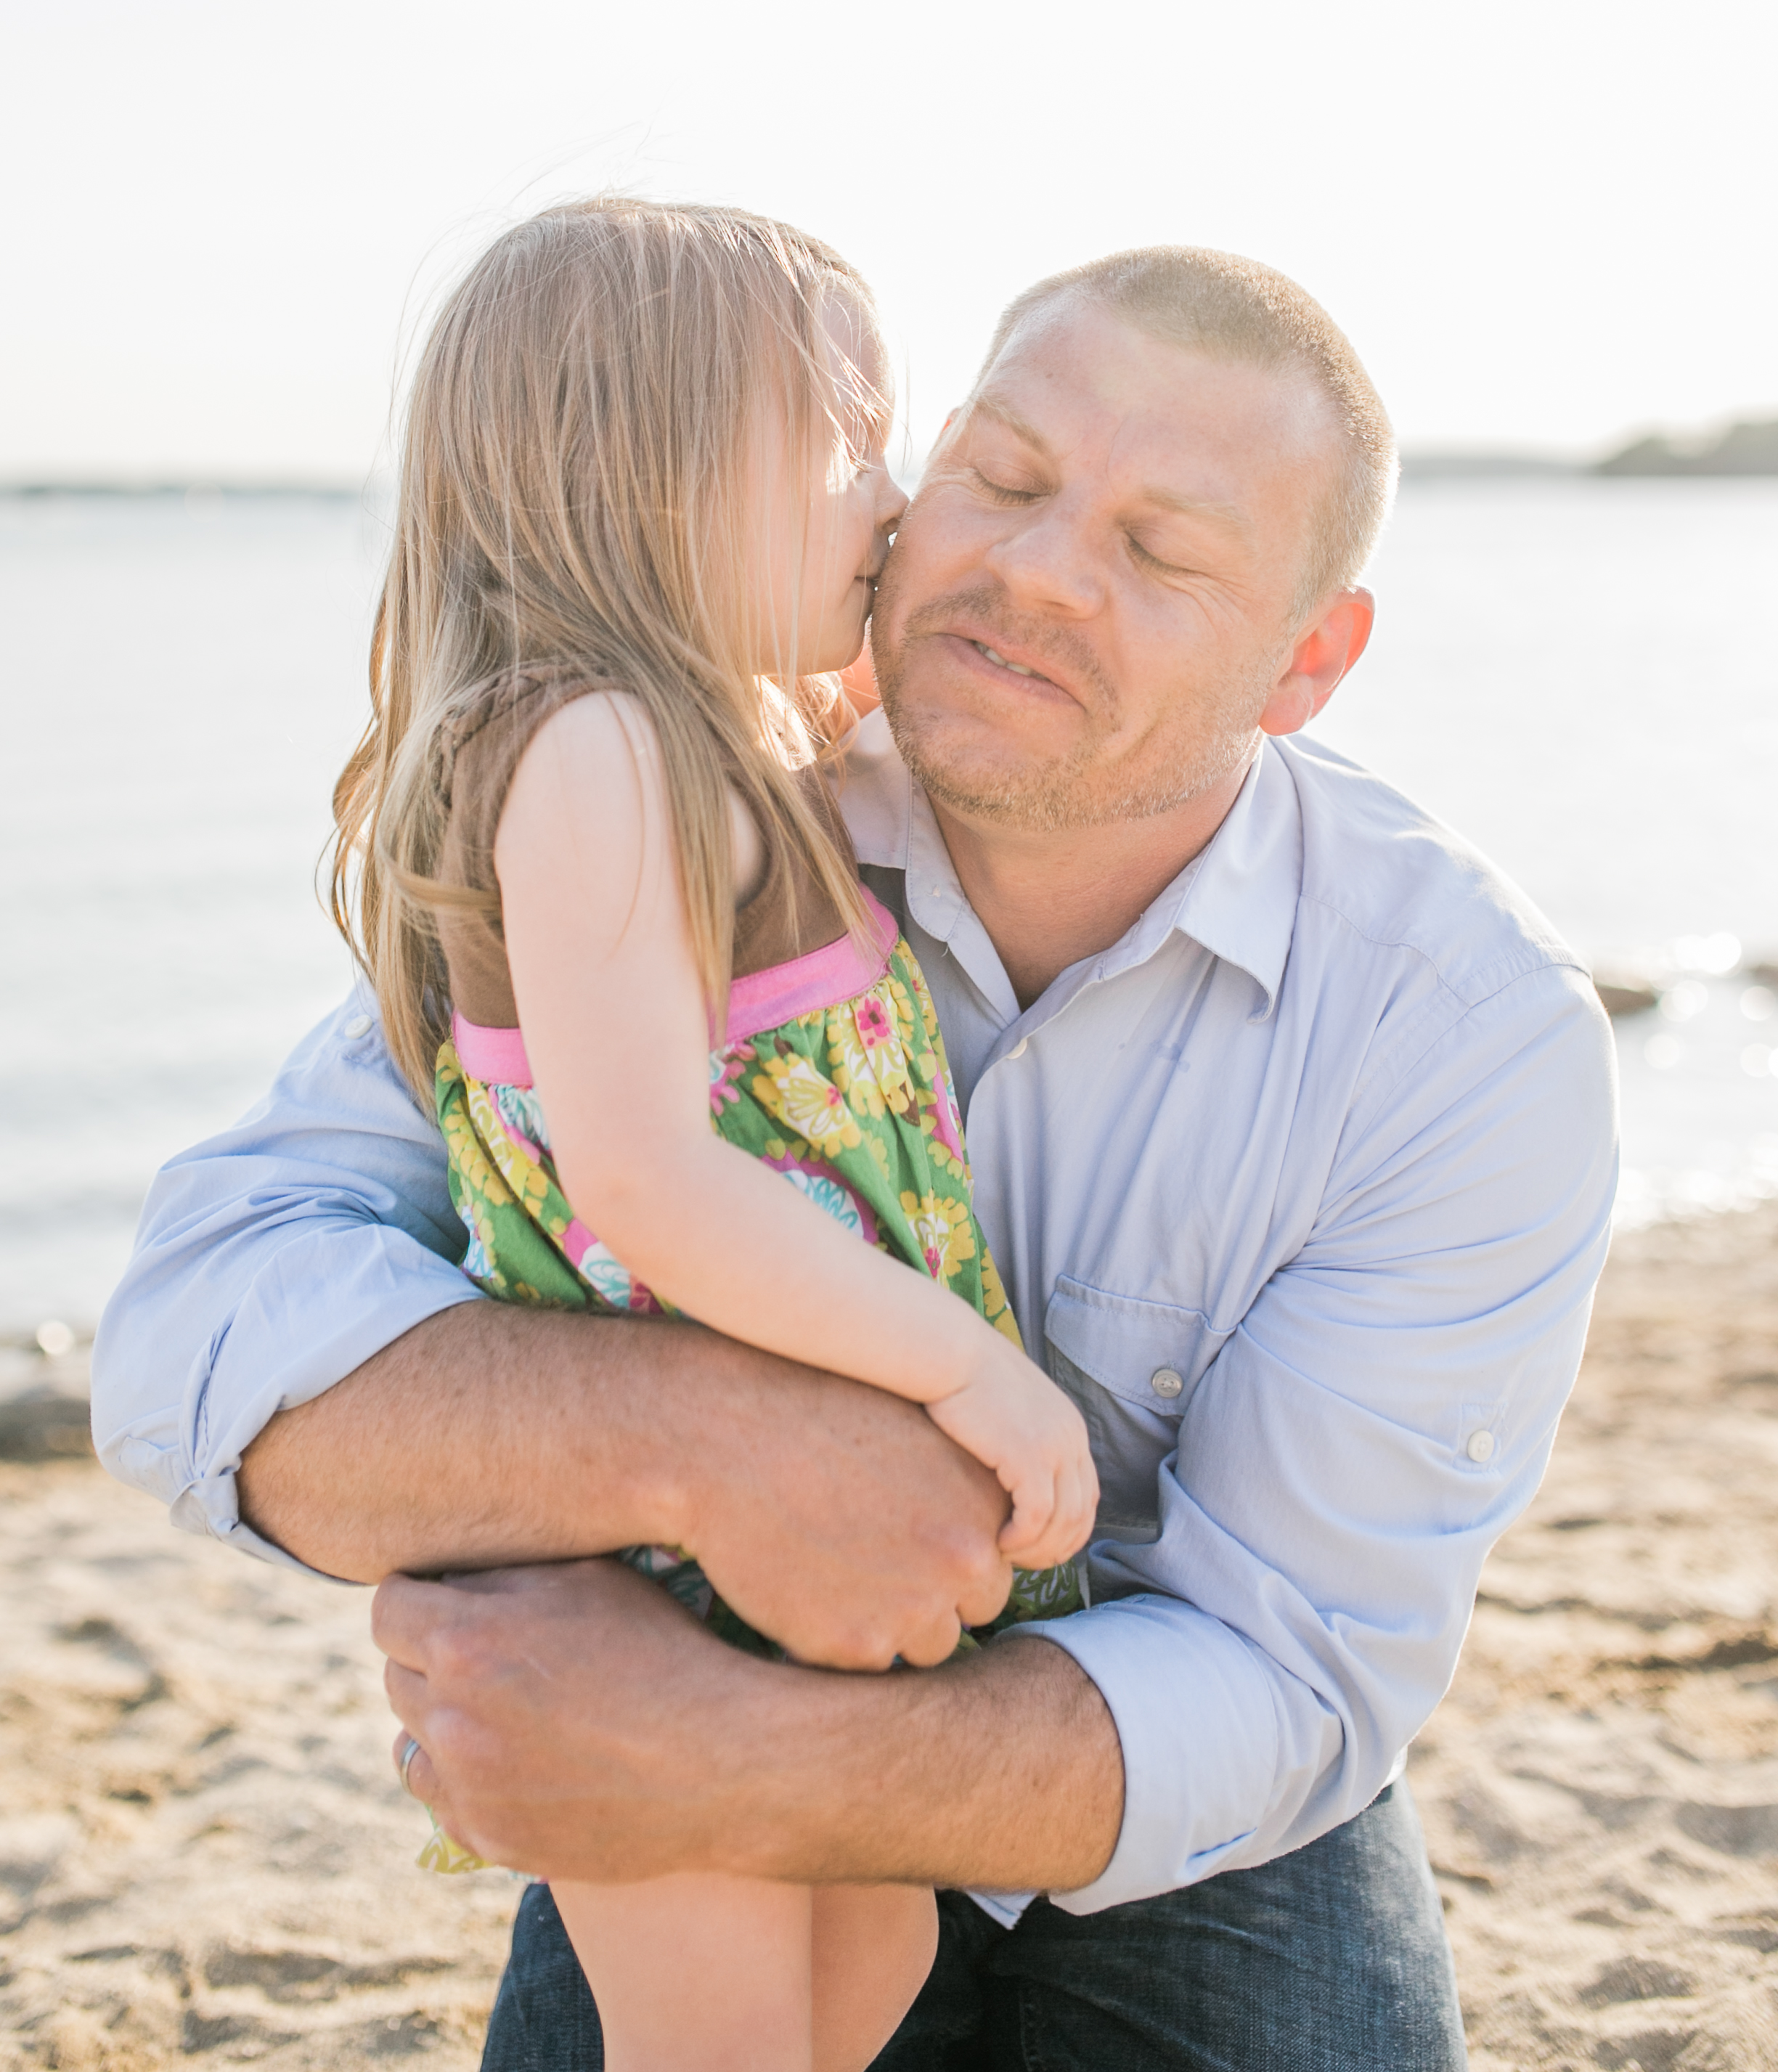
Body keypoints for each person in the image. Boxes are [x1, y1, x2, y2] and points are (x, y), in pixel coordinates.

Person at [93, 229, 1619, 2072]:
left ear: (1306, 663)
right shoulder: (686, 786)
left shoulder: (1461, 1036)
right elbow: (195, 1334)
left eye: (1159, 550)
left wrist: (762, 1761)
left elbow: (1294, 1674)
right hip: (693, 1665)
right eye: (1004, 474)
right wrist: (711, 1449)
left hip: (1143, 1757)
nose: (1038, 573)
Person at [323, 197, 1095, 2071]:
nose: (891, 498)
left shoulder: (718, 740)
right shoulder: (595, 753)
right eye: (845, 447)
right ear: (647, 473)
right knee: (722, 2034)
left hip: (801, 1558)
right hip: (671, 1594)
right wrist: (974, 1373)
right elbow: (645, 1179)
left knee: (865, 1972)